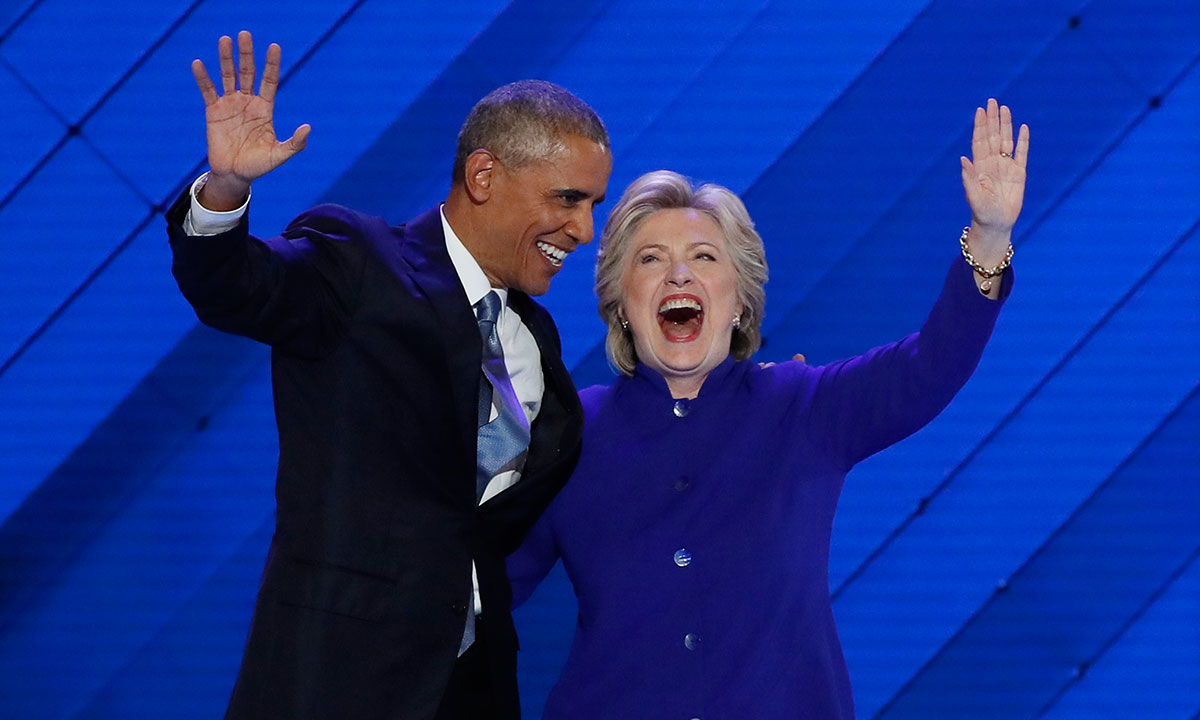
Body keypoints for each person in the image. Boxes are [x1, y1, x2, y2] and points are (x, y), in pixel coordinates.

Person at [508, 100, 1029, 718]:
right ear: (621, 303)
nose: (678, 273)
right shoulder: (568, 431)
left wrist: (991, 235)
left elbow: (929, 366)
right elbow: (484, 588)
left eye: (704, 257)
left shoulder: (804, 407)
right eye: (650, 260)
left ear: (739, 303)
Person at [166, 31, 612, 720]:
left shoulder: (535, 339)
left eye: (593, 205)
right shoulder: (361, 265)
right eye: (568, 199)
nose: (584, 230)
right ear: (485, 177)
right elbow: (235, 287)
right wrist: (225, 187)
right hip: (335, 683)